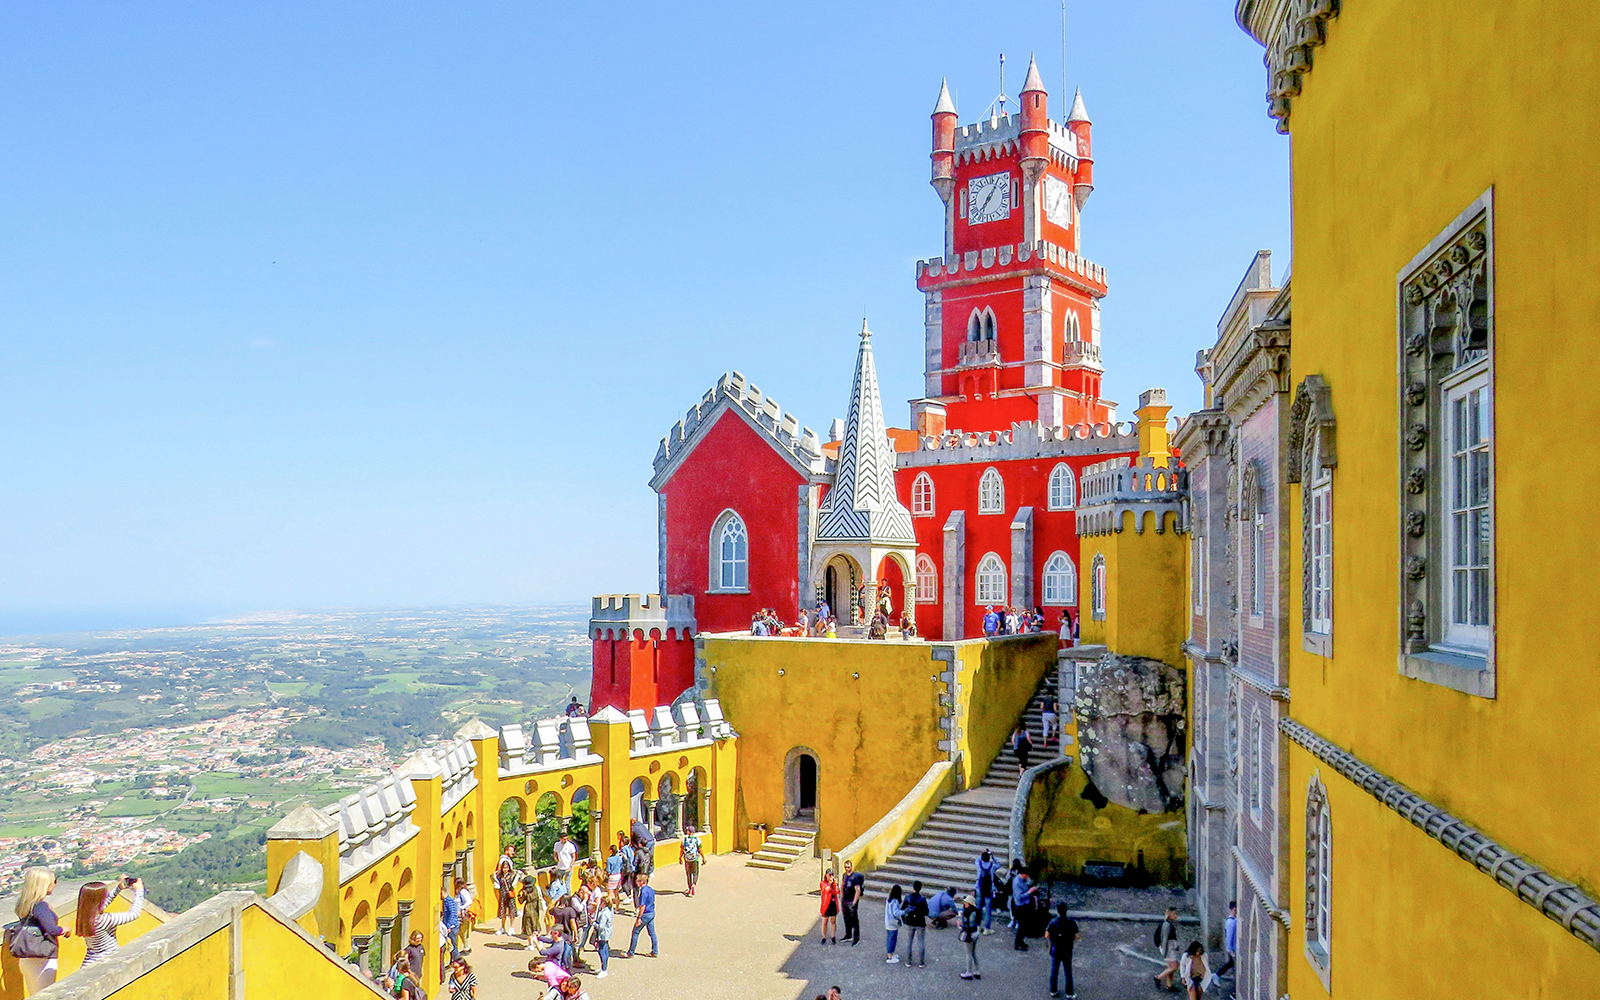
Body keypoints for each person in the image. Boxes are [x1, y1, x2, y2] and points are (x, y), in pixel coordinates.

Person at [10, 867, 67, 991]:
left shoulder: (24, 904)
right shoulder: (41, 907)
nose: (55, 884)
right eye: (54, 881)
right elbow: (52, 930)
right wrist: (64, 929)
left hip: (27, 958)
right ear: (45, 884)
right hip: (42, 958)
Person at [78, 877, 143, 967]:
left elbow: (101, 905)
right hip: (105, 962)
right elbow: (134, 914)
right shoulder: (105, 920)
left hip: (90, 961)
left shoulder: (84, 916)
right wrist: (139, 891)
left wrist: (118, 888)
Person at [1046, 902, 1081, 998]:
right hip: (1067, 950)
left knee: (1054, 971)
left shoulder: (1053, 922)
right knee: (1068, 972)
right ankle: (1069, 993)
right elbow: (1077, 936)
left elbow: (1046, 935)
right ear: (1066, 910)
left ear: (1058, 911)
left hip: (1056, 949)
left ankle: (1053, 990)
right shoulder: (1071, 922)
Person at [625, 872, 657, 958]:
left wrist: (639, 918)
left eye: (638, 881)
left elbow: (642, 906)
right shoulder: (650, 889)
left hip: (645, 914)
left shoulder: (643, 891)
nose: (636, 882)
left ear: (642, 882)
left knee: (635, 932)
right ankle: (655, 951)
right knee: (652, 933)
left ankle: (630, 952)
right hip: (651, 912)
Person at [900, 880, 928, 967]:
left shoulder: (908, 898)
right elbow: (926, 912)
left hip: (910, 922)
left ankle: (908, 961)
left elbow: (903, 909)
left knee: (909, 942)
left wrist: (904, 919)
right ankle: (921, 962)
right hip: (920, 922)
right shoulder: (923, 899)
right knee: (921, 942)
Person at [1011, 867, 1040, 951]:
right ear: (1023, 874)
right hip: (1021, 906)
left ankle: (1021, 941)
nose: (1027, 876)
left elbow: (1029, 882)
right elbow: (1019, 897)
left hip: (1025, 904)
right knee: (1022, 926)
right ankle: (1018, 943)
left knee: (1025, 925)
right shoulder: (1017, 883)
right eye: (1026, 875)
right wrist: (1029, 892)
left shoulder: (1022, 880)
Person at [1155, 908, 1183, 991]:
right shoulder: (1167, 925)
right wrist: (1165, 952)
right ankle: (1158, 978)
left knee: (1172, 967)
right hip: (1168, 949)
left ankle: (1169, 985)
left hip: (1170, 948)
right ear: (1169, 915)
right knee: (1174, 967)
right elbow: (1165, 939)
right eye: (1174, 914)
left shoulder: (1168, 924)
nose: (1176, 916)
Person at [974, 849, 1000, 935]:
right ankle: (987, 928)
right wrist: (992, 855)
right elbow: (999, 864)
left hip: (979, 889)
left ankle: (977, 926)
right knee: (988, 910)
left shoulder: (979, 864)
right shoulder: (992, 866)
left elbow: (977, 860)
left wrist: (983, 853)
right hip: (989, 890)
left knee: (978, 908)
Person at [957, 894, 982, 980]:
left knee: (968, 954)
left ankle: (969, 972)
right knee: (974, 952)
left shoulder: (967, 913)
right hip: (975, 933)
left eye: (966, 902)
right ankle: (977, 971)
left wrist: (960, 923)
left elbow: (965, 924)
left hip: (969, 934)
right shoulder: (976, 911)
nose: (964, 904)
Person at [840, 859, 865, 945]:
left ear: (851, 867)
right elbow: (842, 885)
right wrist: (841, 897)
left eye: (848, 867)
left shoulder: (854, 878)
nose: (847, 868)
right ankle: (848, 935)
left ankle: (856, 938)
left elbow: (857, 890)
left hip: (852, 901)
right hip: (845, 901)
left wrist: (854, 902)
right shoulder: (844, 875)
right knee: (846, 919)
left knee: (854, 920)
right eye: (845, 867)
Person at [494, 854, 519, 935]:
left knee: (511, 911)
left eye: (507, 867)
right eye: (504, 867)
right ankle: (502, 927)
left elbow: (519, 876)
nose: (505, 869)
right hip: (503, 895)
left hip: (510, 894)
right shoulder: (499, 875)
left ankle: (511, 927)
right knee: (503, 911)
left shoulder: (512, 875)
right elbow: (493, 877)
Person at [591, 893, 614, 979]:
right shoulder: (610, 910)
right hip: (608, 932)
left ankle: (604, 970)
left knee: (602, 950)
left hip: (603, 934)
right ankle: (603, 968)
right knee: (605, 950)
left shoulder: (604, 913)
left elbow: (600, 926)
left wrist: (593, 923)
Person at [440, 881, 462, 964]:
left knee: (453, 945)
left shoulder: (449, 901)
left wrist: (449, 926)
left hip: (452, 927)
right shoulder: (447, 901)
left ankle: (456, 961)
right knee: (452, 945)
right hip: (451, 926)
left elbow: (453, 913)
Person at [1216, 901, 1237, 981]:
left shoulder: (1231, 920)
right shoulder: (1232, 922)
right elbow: (1229, 936)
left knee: (1230, 963)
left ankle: (1217, 975)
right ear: (1234, 909)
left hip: (1232, 948)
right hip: (1233, 949)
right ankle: (1217, 975)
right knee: (1232, 964)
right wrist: (1231, 950)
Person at [680, 825, 703, 897]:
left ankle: (690, 888)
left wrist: (680, 858)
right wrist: (704, 858)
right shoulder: (697, 840)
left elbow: (681, 850)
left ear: (688, 832)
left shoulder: (684, 840)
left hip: (687, 859)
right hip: (695, 858)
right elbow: (700, 849)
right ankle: (694, 884)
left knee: (688, 874)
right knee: (695, 873)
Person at [883, 884, 903, 965]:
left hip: (888, 921)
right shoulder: (895, 901)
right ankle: (890, 956)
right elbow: (896, 912)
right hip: (893, 923)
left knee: (889, 938)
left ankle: (890, 954)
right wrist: (904, 912)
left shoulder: (889, 899)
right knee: (892, 939)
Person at [455, 878, 476, 953]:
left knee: (464, 931)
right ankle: (466, 946)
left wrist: (460, 908)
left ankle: (466, 947)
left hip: (463, 914)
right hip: (462, 914)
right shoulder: (462, 891)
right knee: (462, 931)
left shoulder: (463, 892)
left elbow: (468, 902)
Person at [818, 869, 839, 944]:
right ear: (826, 875)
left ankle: (833, 936)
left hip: (833, 904)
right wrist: (831, 884)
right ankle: (824, 937)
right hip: (826, 905)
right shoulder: (823, 883)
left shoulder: (834, 884)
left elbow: (837, 892)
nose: (831, 877)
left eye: (832, 875)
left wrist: (835, 885)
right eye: (830, 875)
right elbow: (825, 890)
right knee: (825, 922)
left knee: (833, 921)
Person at [554, 833, 578, 898]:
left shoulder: (570, 845)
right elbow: (555, 853)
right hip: (560, 867)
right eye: (564, 839)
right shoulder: (557, 845)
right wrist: (556, 858)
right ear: (560, 839)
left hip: (567, 867)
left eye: (567, 839)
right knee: (559, 884)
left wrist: (570, 866)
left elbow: (573, 856)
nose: (566, 840)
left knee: (567, 884)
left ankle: (568, 898)